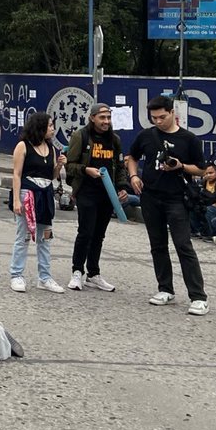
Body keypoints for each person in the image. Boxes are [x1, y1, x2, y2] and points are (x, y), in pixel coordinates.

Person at [126, 96, 208, 315]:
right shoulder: (146, 135)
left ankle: (198, 296)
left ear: (173, 113)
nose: (158, 121)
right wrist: (134, 176)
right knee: (157, 244)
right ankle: (165, 289)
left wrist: (181, 166)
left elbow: (202, 170)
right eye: (154, 118)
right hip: (150, 195)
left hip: (176, 197)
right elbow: (131, 157)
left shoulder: (188, 138)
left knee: (183, 245)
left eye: (162, 117)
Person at [64, 102, 128, 292]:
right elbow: (69, 165)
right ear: (92, 118)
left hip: (107, 193)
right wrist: (86, 170)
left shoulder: (114, 139)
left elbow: (120, 166)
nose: (106, 121)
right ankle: (77, 271)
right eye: (102, 117)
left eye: (108, 117)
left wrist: (122, 187)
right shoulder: (81, 136)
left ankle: (93, 273)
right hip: (86, 191)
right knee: (86, 232)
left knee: (99, 235)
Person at [9, 112, 66, 294]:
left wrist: (58, 166)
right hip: (28, 194)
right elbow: (17, 174)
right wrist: (17, 200)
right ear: (40, 127)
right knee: (23, 236)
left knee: (46, 237)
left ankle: (45, 277)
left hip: (46, 194)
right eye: (50, 126)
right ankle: (16, 275)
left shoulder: (51, 147)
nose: (53, 129)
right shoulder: (23, 146)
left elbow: (52, 176)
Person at [191, 162, 216, 238]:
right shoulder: (204, 182)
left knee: (209, 209)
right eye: (206, 173)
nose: (208, 175)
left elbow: (214, 198)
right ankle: (197, 230)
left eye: (211, 173)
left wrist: (203, 191)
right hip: (208, 206)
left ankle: (212, 233)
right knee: (192, 205)